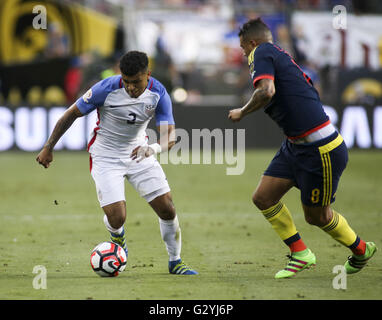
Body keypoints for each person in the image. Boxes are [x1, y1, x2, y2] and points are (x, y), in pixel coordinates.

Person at [228, 18, 377, 279]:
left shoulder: (261, 52)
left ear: (252, 42)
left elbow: (266, 91)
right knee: (263, 197)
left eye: (242, 48)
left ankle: (362, 250)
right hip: (295, 145)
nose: (243, 54)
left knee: (317, 217)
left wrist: (242, 111)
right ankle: (300, 254)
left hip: (321, 149)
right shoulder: (280, 56)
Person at [36, 51, 198, 275]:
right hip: (106, 156)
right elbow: (70, 114)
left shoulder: (158, 92)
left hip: (139, 152)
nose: (131, 88)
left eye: (136, 82)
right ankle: (118, 238)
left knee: (167, 209)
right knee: (117, 216)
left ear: (148, 75)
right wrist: (48, 146)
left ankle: (175, 261)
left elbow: (170, 136)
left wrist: (151, 148)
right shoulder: (106, 88)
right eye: (127, 82)